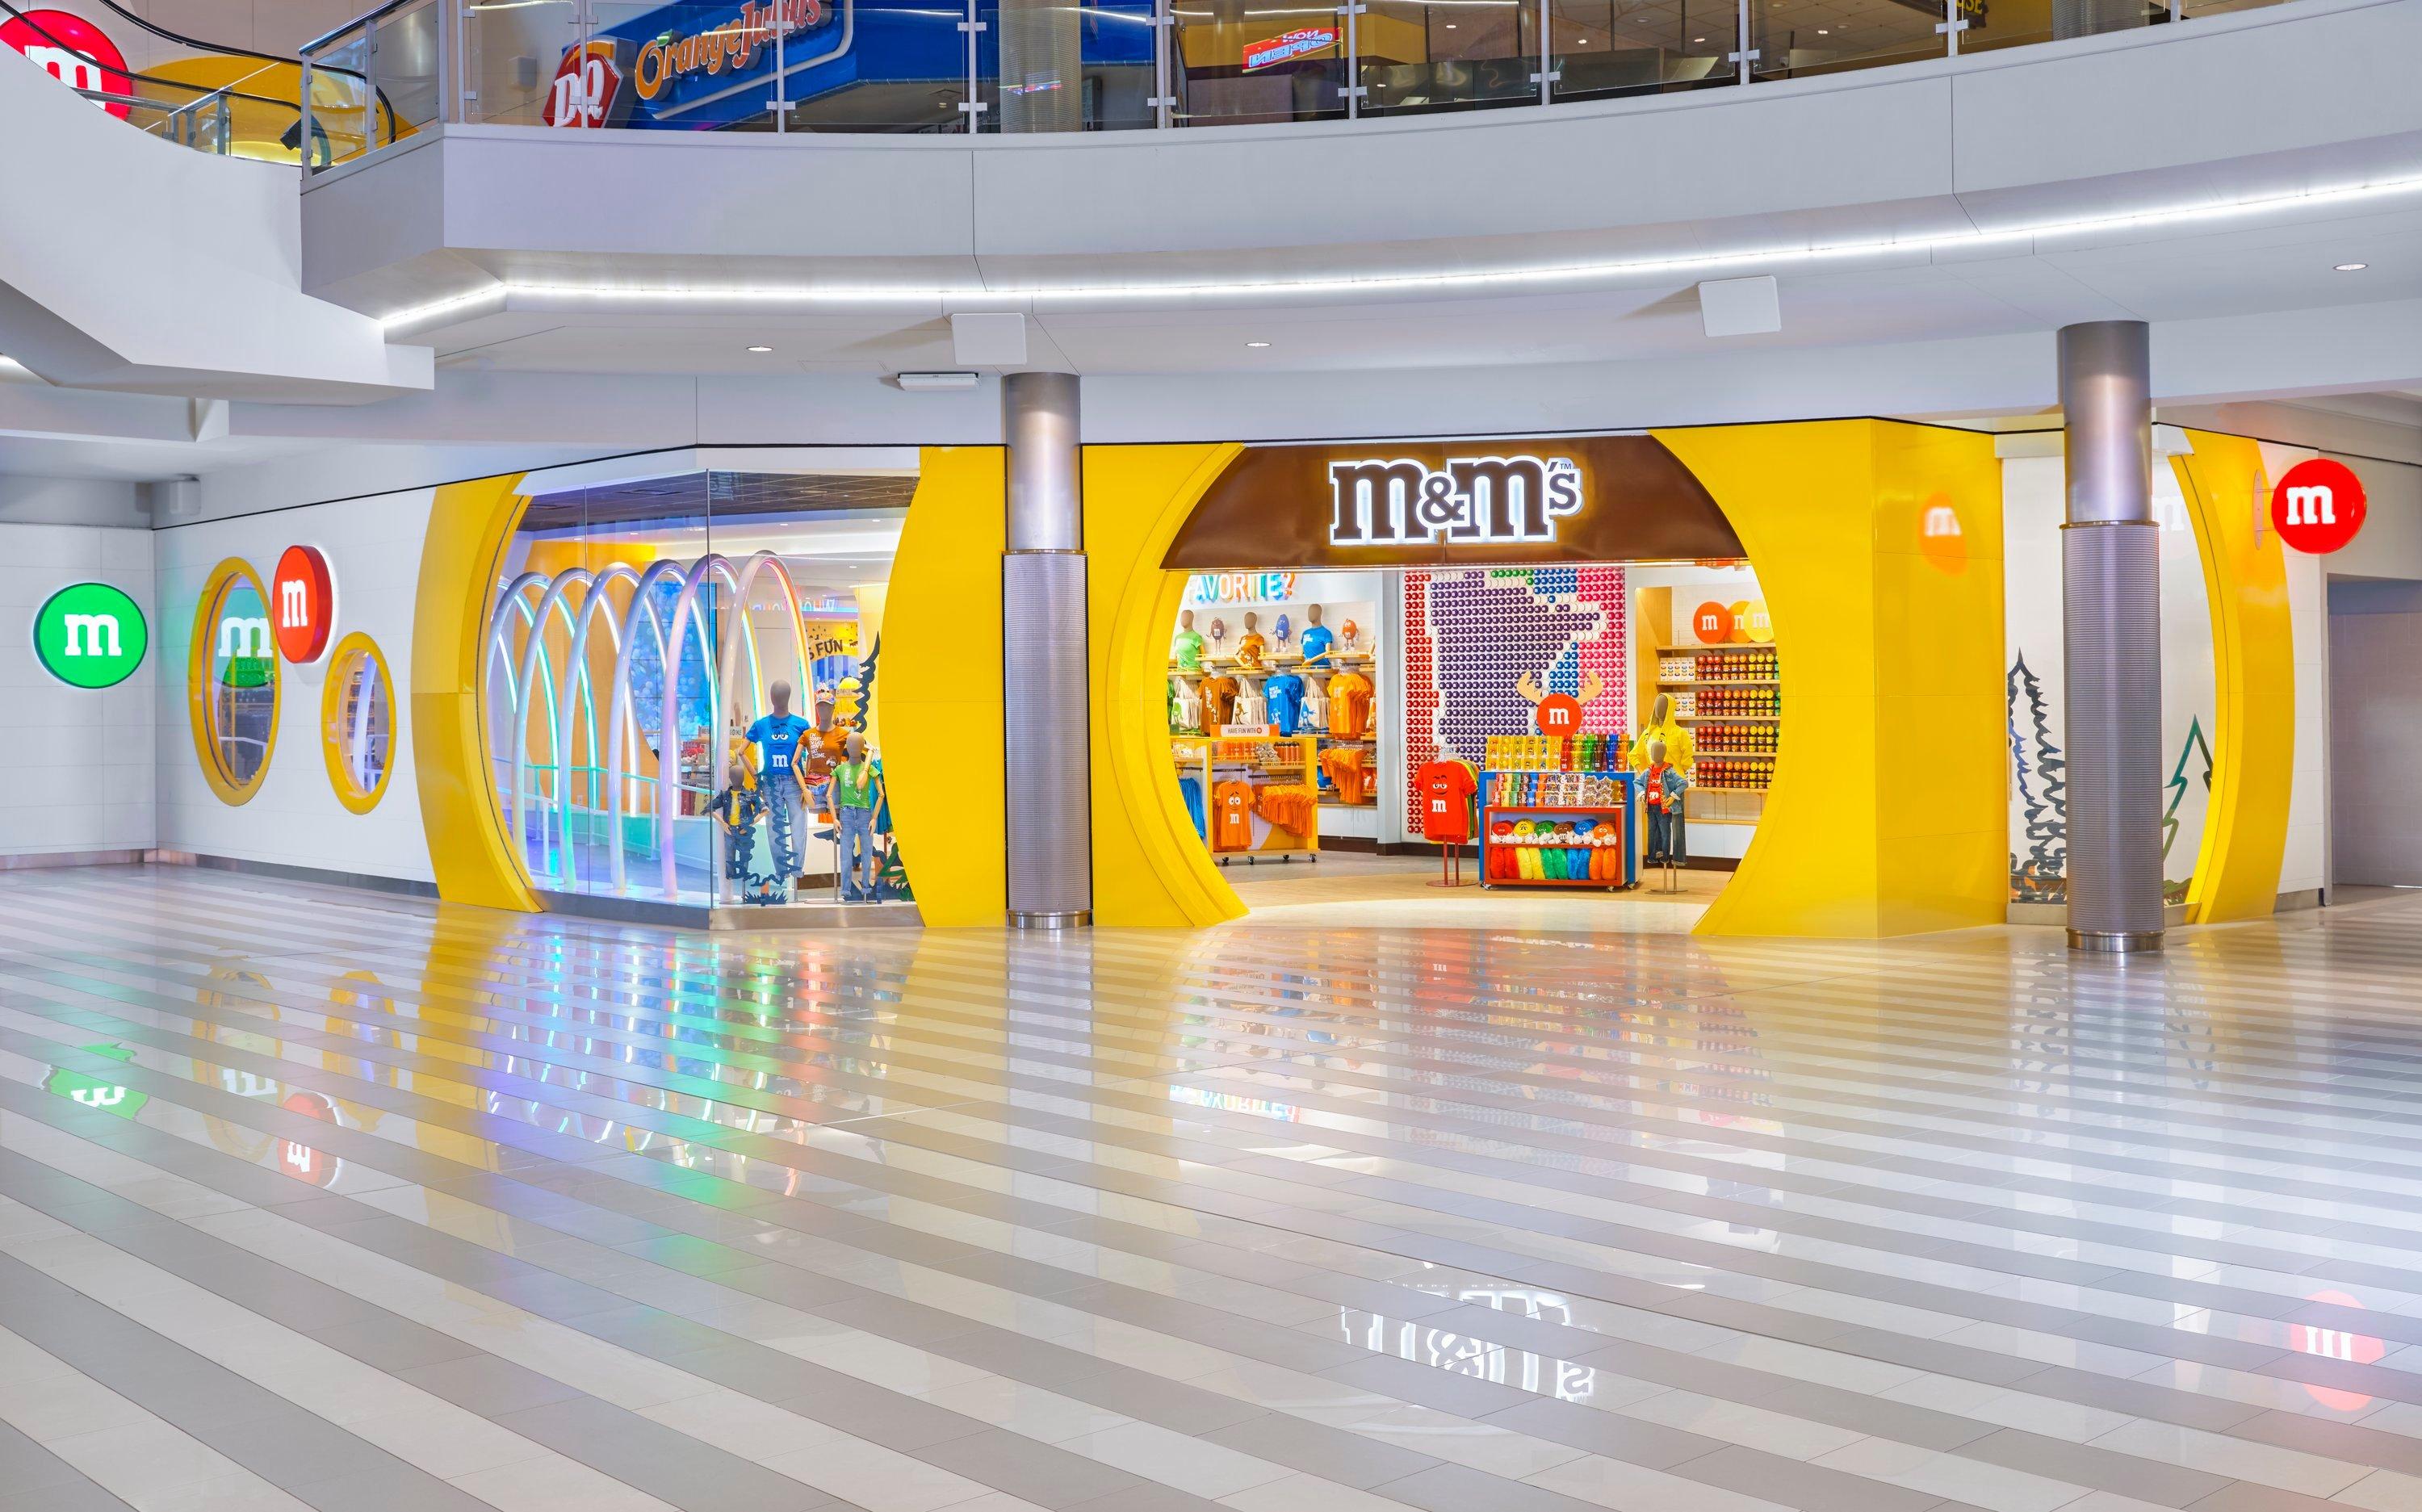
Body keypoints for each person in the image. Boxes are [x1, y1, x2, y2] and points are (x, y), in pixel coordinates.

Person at [744, 681, 815, 898]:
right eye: (777, 694)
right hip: (771, 783)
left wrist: (807, 784)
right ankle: (782, 873)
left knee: (798, 826)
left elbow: (811, 754)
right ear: (772, 698)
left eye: (782, 694)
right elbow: (741, 751)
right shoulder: (761, 725)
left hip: (794, 782)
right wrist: (758, 778)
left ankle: (798, 870)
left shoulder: (801, 725)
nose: (779, 698)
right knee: (774, 830)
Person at [831, 731, 883, 902]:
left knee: (867, 852)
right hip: (846, 814)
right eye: (850, 744)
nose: (853, 748)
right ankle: (845, 889)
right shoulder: (840, 769)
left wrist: (874, 817)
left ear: (861, 748)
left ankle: (866, 886)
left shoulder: (870, 769)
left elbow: (882, 794)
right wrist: (834, 817)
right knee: (845, 853)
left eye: (857, 745)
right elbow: (829, 795)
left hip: (865, 814)